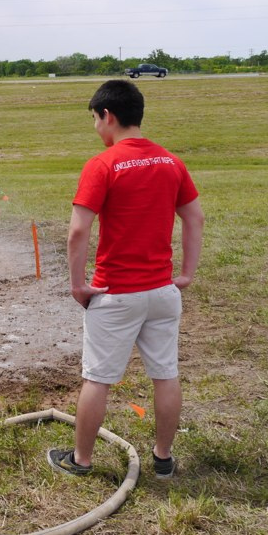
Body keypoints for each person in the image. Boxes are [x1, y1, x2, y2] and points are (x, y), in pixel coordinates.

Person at [48, 80, 204, 480]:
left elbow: (78, 231)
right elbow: (194, 217)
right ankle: (164, 459)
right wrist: (186, 273)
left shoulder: (102, 165)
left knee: (97, 379)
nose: (95, 128)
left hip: (115, 293)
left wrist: (78, 284)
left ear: (107, 115)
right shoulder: (171, 162)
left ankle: (81, 462)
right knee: (165, 374)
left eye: (94, 120)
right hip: (162, 293)